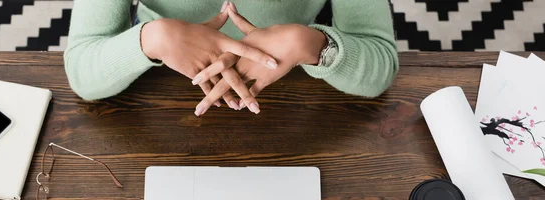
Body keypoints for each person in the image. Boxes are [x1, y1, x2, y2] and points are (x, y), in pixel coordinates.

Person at [64, 0, 398, 116]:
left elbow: (380, 67)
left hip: (294, 90)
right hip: (164, 78)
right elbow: (82, 72)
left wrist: (309, 43)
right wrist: (152, 37)